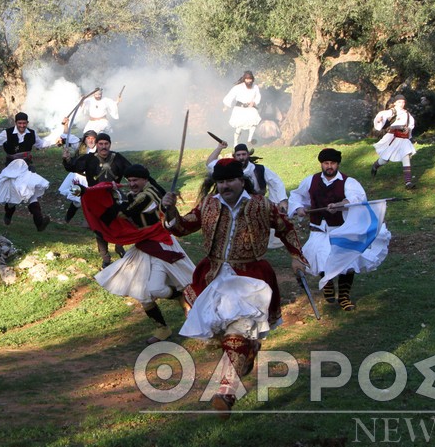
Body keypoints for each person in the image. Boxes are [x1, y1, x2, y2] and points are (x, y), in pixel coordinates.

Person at [161, 158, 306, 418]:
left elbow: (286, 227)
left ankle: (226, 393)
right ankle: (248, 353)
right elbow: (181, 228)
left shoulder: (261, 205)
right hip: (213, 277)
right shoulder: (208, 204)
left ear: (242, 180)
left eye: (229, 180)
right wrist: (170, 212)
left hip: (250, 279)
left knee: (237, 333)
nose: (225, 186)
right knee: (222, 335)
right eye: (220, 181)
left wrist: (296, 256)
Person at [88, 164, 195, 344]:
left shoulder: (146, 195)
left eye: (135, 180)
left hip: (160, 244)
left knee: (156, 289)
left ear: (145, 179)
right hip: (143, 244)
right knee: (141, 292)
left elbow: (123, 213)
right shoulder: (141, 193)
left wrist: (102, 197)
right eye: (129, 180)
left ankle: (182, 299)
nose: (131, 183)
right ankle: (162, 328)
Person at [288, 148, 390, 311]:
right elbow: (296, 196)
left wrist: (340, 204)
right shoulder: (311, 181)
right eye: (326, 163)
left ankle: (344, 296)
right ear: (321, 164)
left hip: (341, 229)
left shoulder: (348, 182)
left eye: (333, 163)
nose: (329, 166)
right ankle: (327, 284)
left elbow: (357, 199)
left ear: (338, 164)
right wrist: (299, 208)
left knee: (347, 263)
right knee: (322, 258)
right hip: (319, 229)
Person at [62, 132, 133, 268]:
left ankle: (119, 246)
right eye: (101, 144)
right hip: (95, 199)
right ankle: (105, 258)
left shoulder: (117, 158)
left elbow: (131, 171)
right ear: (97, 145)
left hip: (114, 196)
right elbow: (71, 167)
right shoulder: (89, 159)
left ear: (110, 145)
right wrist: (66, 159)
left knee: (122, 221)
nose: (103, 147)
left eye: (106, 144)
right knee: (99, 228)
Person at [0, 112, 53, 231]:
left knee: (31, 193)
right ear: (15, 123)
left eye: (24, 123)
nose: (22, 125)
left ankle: (39, 222)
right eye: (20, 123)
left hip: (27, 167)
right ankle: (8, 214)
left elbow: (41, 144)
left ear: (27, 123)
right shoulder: (7, 133)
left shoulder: (32, 133)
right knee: (12, 196)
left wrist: (55, 140)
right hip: (12, 168)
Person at [371, 94, 417, 189]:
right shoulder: (392, 111)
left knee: (406, 156)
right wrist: (379, 120)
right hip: (392, 138)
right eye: (399, 102)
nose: (401, 104)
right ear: (395, 103)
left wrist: (408, 130)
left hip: (403, 139)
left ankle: (408, 182)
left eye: (403, 102)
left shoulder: (408, 114)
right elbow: (382, 117)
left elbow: (411, 125)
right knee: (384, 159)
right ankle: (375, 166)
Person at [58, 130, 98, 223]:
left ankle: (91, 223)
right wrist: (67, 158)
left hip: (91, 180)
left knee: (91, 201)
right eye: (88, 138)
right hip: (78, 178)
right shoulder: (80, 147)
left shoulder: (98, 149)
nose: (91, 141)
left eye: (93, 139)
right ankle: (67, 220)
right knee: (77, 201)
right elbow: (66, 135)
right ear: (85, 139)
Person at [223, 71, 261, 146]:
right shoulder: (238, 87)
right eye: (247, 79)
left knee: (254, 123)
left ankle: (249, 140)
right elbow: (230, 96)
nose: (248, 81)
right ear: (244, 79)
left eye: (250, 79)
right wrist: (226, 106)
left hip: (250, 108)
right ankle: (235, 143)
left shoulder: (255, 87)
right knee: (239, 127)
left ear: (252, 79)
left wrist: (254, 102)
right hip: (240, 109)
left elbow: (258, 97)